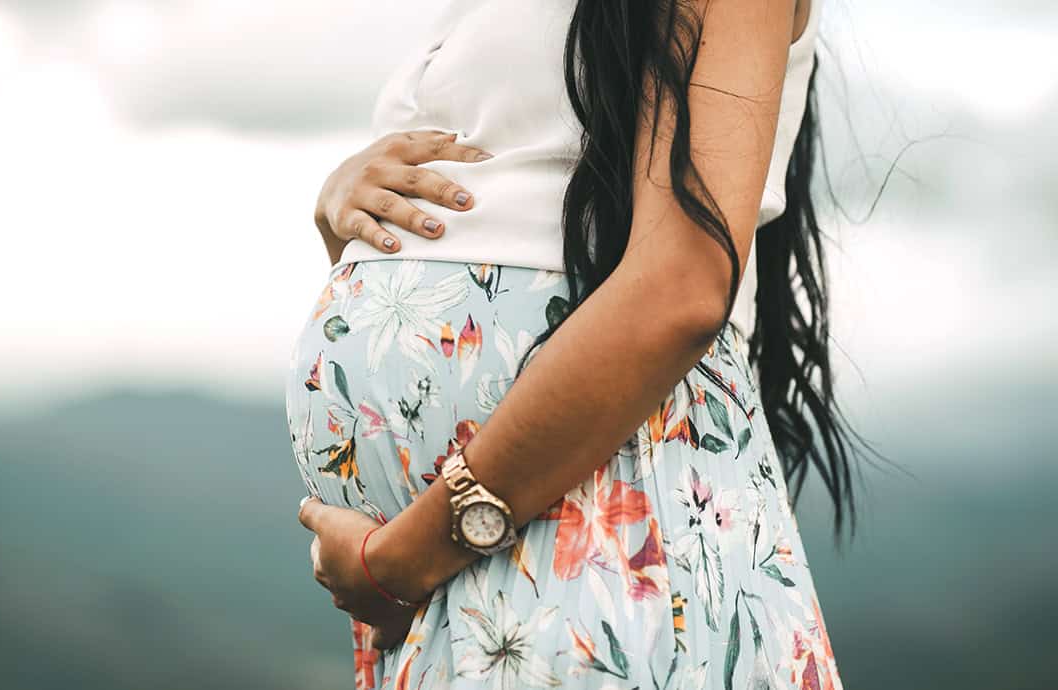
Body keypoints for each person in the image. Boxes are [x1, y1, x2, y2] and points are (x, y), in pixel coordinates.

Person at [286, 0, 861, 688]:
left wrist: (405, 559)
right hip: (457, 578)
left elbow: (680, 289)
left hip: (600, 539)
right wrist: (346, 223)